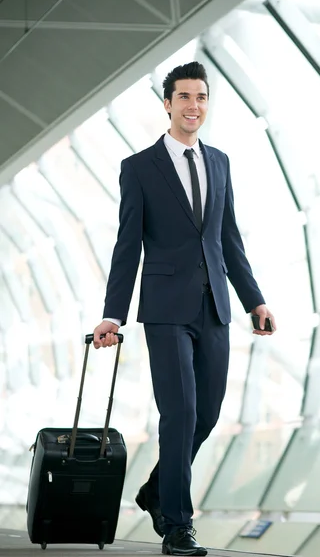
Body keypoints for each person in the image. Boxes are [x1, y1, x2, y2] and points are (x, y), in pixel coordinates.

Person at [92, 61, 276, 556]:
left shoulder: (219, 161)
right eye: (185, 97)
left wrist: (253, 299)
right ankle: (177, 524)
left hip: (215, 305)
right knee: (180, 411)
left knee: (209, 413)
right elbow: (127, 245)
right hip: (166, 309)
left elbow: (227, 239)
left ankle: (156, 491)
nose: (194, 106)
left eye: (201, 97)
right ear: (167, 103)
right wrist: (113, 314)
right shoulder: (139, 168)